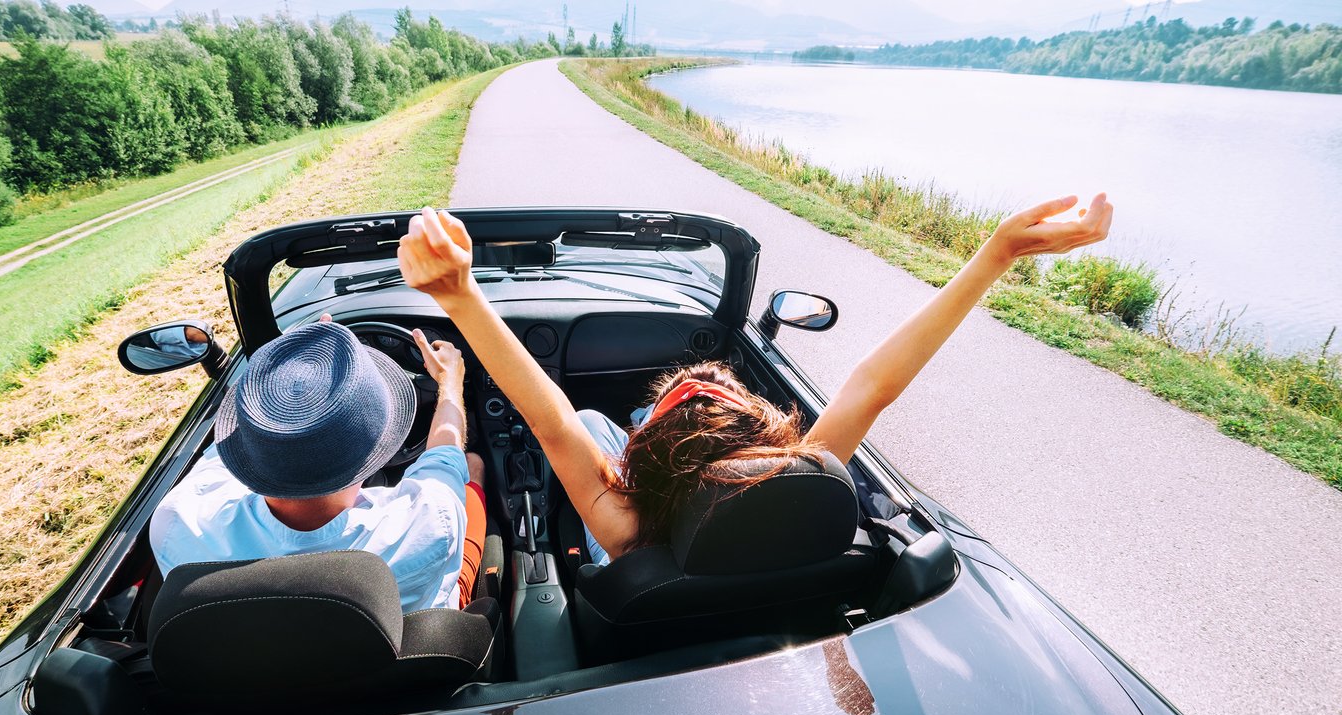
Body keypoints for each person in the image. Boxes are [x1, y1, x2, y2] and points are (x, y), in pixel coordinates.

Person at [398, 196, 1113, 565]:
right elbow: (874, 386)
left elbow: (552, 417)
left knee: (587, 423)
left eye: (657, 417)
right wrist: (997, 253)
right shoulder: (807, 481)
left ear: (642, 464)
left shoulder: (626, 531)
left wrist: (462, 295)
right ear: (768, 439)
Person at [149, 316, 489, 612]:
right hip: (409, 657)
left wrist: (285, 382)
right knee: (472, 465)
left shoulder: (177, 522)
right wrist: (449, 382)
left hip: (265, 673)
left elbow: (227, 446)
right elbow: (446, 452)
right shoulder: (432, 518)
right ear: (379, 441)